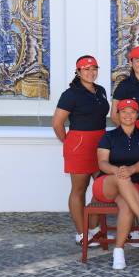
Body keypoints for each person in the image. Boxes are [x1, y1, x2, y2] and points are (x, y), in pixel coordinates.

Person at [93, 99, 139, 270]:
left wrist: (131, 169)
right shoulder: (108, 136)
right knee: (121, 178)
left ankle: (118, 251)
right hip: (106, 184)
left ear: (137, 115)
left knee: (127, 206)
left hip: (131, 187)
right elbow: (102, 163)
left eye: (132, 111)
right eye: (124, 111)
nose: (128, 115)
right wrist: (119, 171)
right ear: (118, 114)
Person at [52, 55, 109, 246]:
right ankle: (81, 233)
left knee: (103, 187)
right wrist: (69, 142)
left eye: (94, 68)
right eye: (86, 69)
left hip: (101, 143)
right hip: (79, 143)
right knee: (79, 189)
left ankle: (91, 226)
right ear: (78, 72)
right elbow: (57, 123)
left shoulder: (100, 90)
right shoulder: (71, 94)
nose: (90, 72)